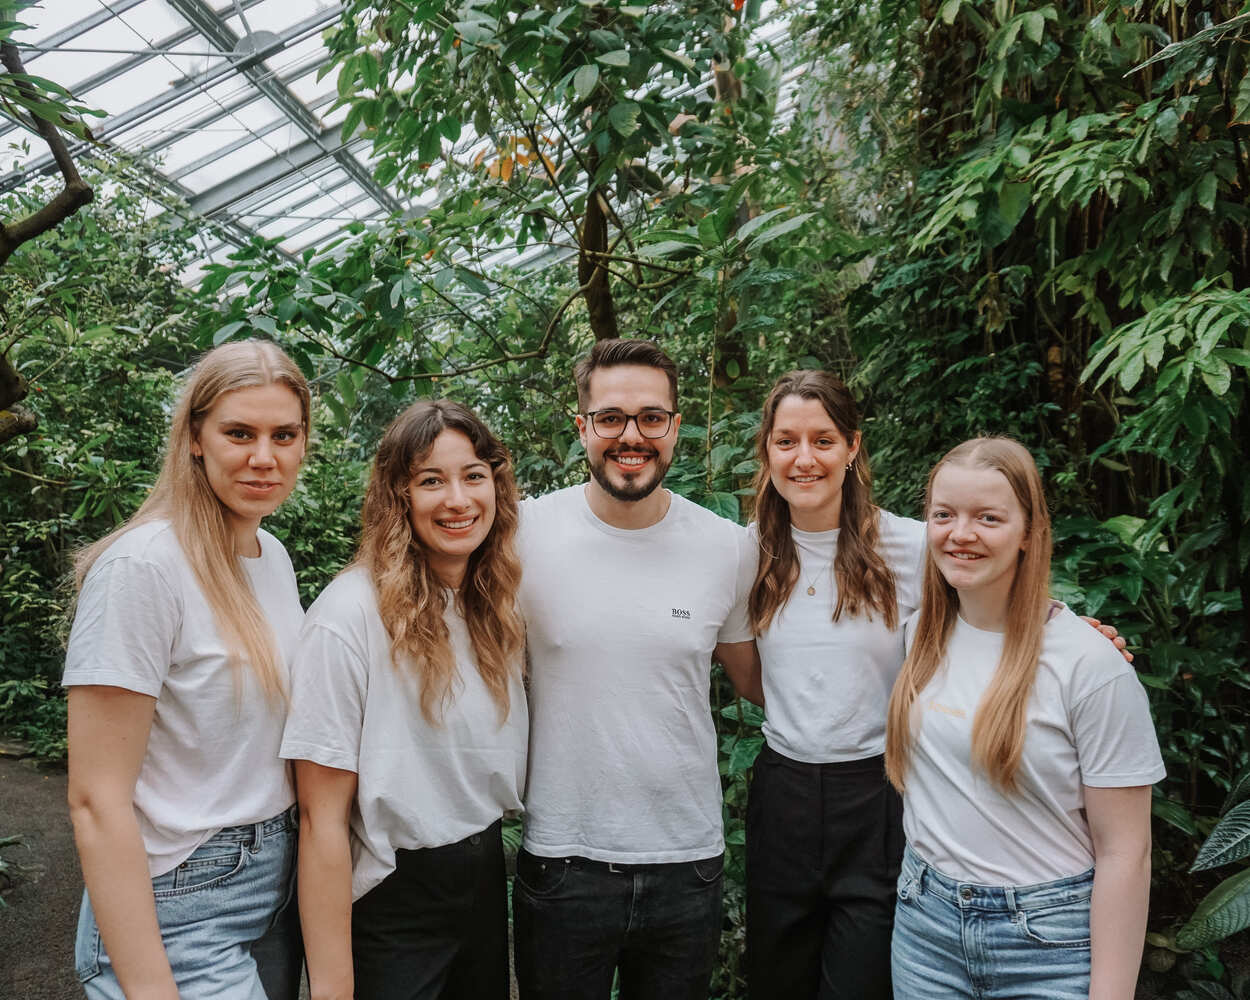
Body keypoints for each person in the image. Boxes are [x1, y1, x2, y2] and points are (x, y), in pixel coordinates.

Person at [511, 338, 762, 1000]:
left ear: (676, 427)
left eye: (652, 417)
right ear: (583, 428)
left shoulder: (725, 548)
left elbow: (764, 680)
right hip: (564, 858)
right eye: (611, 418)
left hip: (688, 865)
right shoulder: (521, 535)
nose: (632, 436)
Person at [64, 339, 309, 1000]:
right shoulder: (144, 568)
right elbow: (95, 802)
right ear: (195, 437)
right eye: (239, 433)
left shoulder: (271, 555)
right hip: (179, 898)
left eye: (284, 434)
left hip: (272, 883)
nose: (265, 456)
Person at [885, 436, 1164, 1000]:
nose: (960, 534)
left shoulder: (1090, 666)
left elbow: (1125, 854)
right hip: (925, 927)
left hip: (1047, 942)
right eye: (944, 515)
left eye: (987, 517)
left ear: (1029, 533)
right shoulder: (918, 637)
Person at [282, 399, 527, 1000]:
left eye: (473, 475)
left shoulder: (491, 605)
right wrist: (332, 988)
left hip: (481, 878)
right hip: (392, 898)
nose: (458, 500)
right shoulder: (349, 617)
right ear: (398, 496)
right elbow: (320, 820)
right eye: (430, 481)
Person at [743, 370, 923, 1000]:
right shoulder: (750, 555)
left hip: (877, 792)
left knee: (862, 983)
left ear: (852, 447)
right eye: (786, 440)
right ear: (767, 450)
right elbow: (745, 670)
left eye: (822, 440)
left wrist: (1076, 627)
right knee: (776, 979)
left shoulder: (911, 547)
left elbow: (1004, 602)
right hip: (783, 791)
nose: (804, 458)